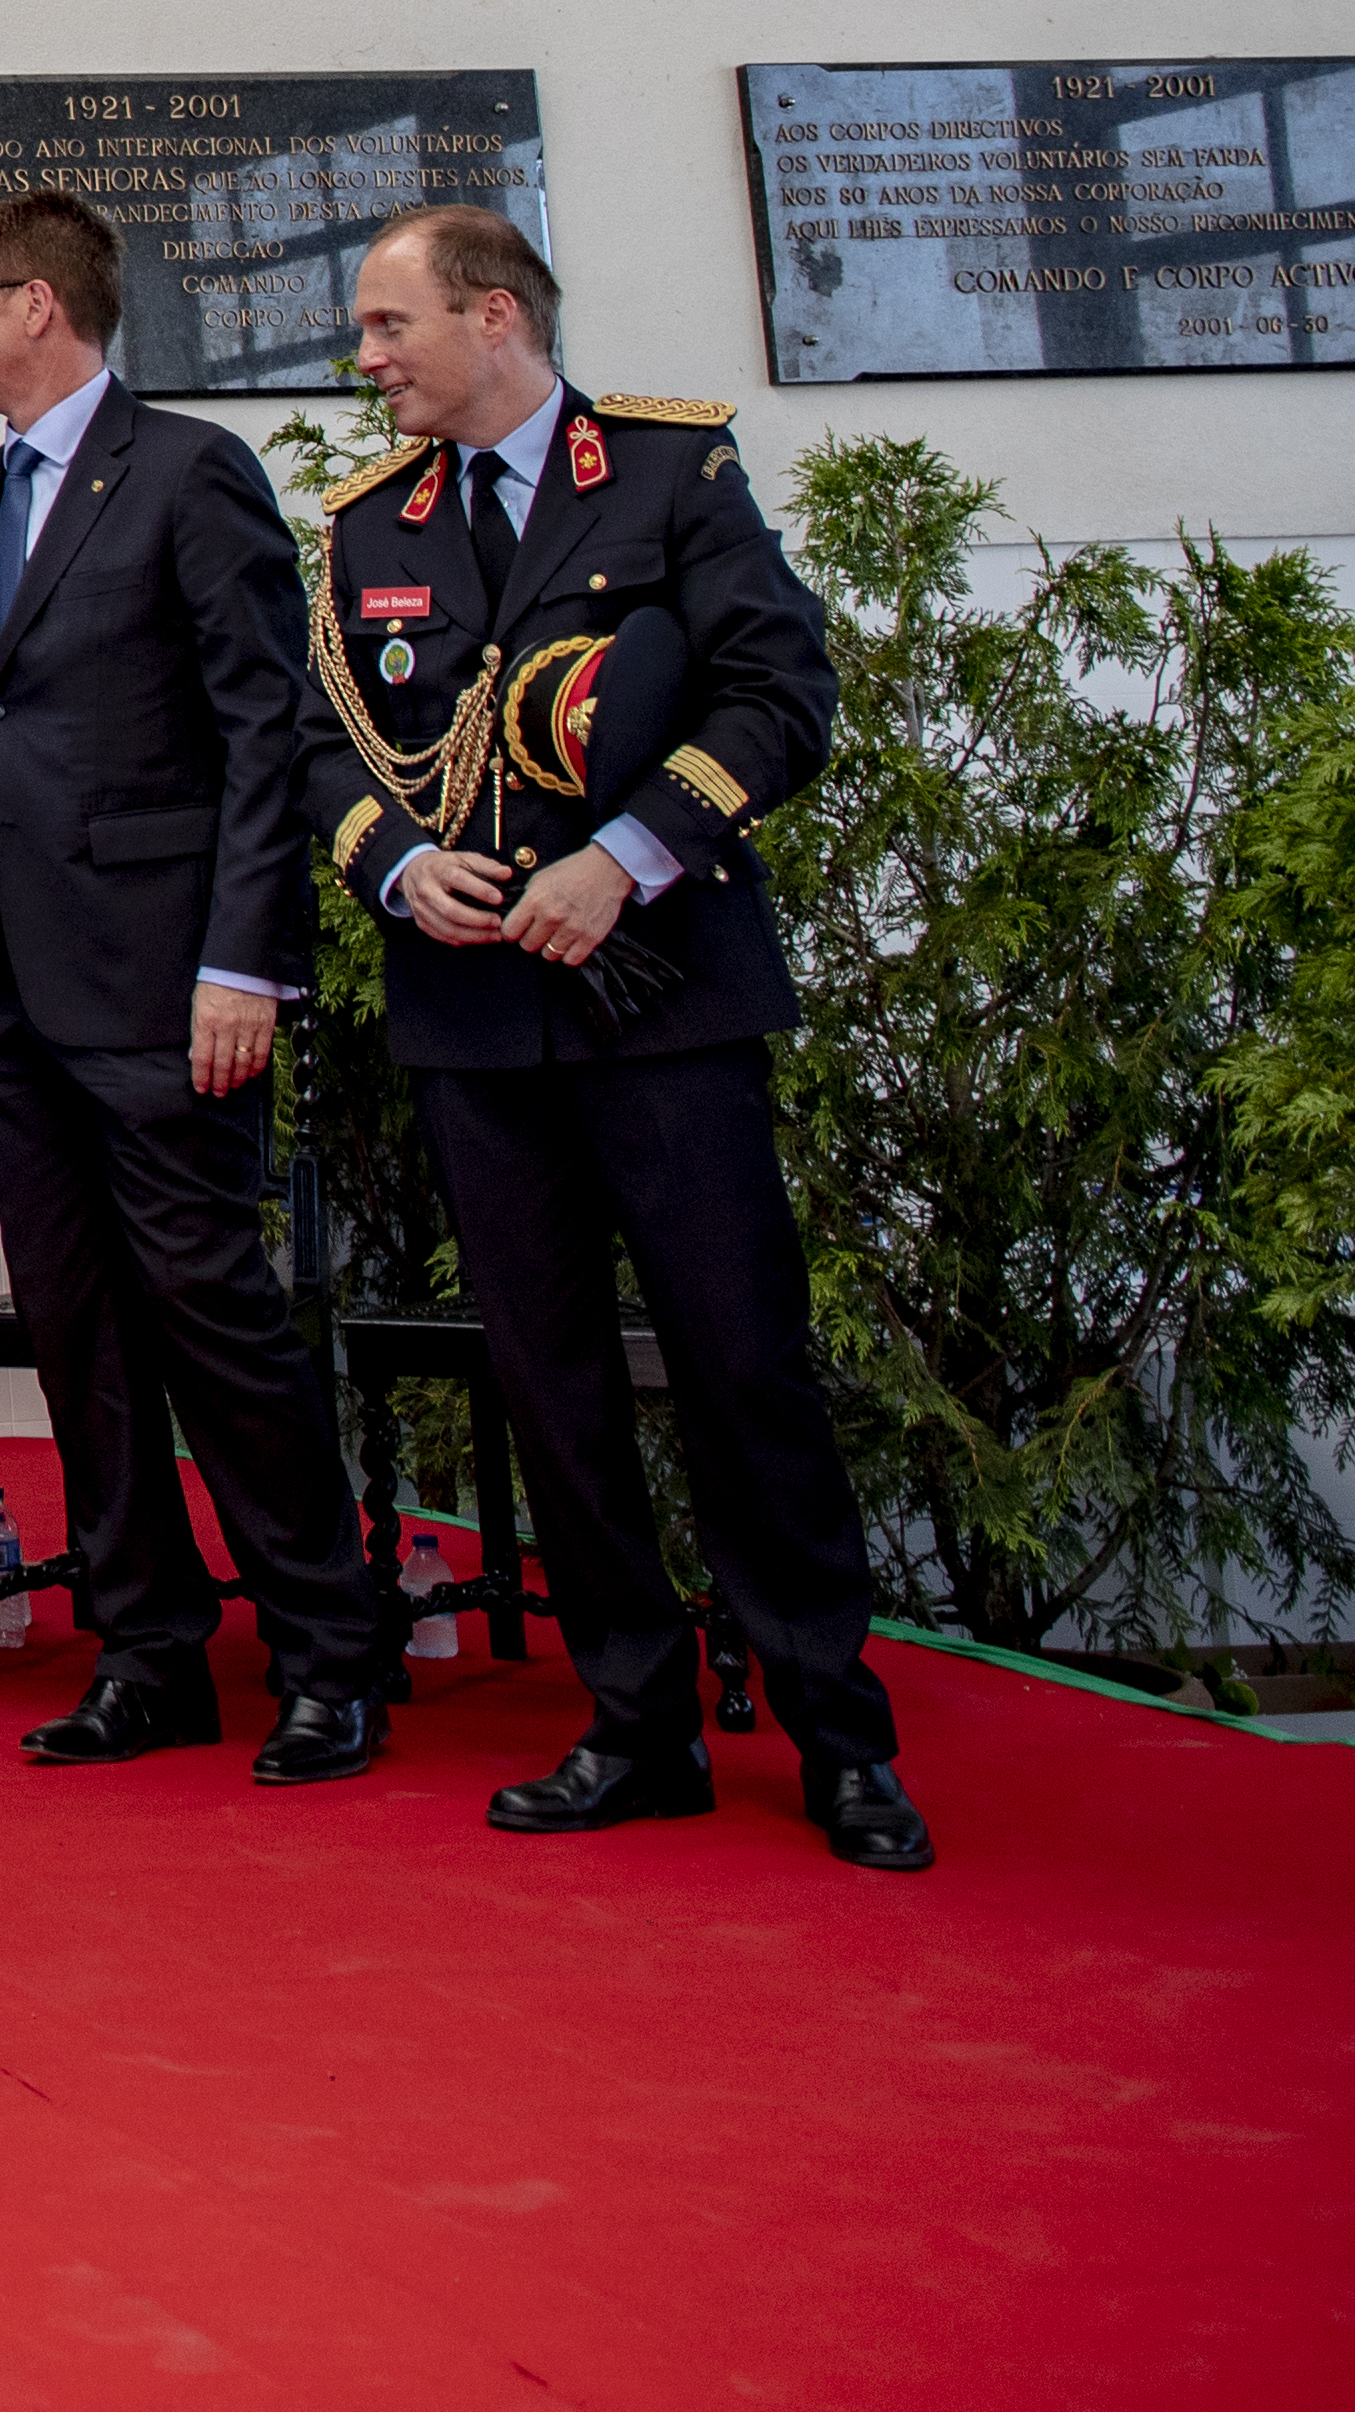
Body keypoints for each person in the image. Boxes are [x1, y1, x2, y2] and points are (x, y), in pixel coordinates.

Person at [314, 209, 922, 1869]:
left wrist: (628, 855)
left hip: (662, 1006)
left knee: (742, 1366)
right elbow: (328, 747)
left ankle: (836, 1732)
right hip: (475, 1019)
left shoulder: (669, 476)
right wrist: (396, 860)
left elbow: (779, 695)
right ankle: (637, 1720)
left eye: (388, 327)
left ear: (491, 314)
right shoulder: (375, 520)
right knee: (552, 1383)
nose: (366, 361)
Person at [0, 191, 392, 1778]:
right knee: (80, 1334)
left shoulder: (191, 474)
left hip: (167, 989)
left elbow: (269, 732)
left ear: (41, 304)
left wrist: (245, 961)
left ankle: (329, 1651)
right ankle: (150, 1650)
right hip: (4, 995)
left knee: (216, 1322)